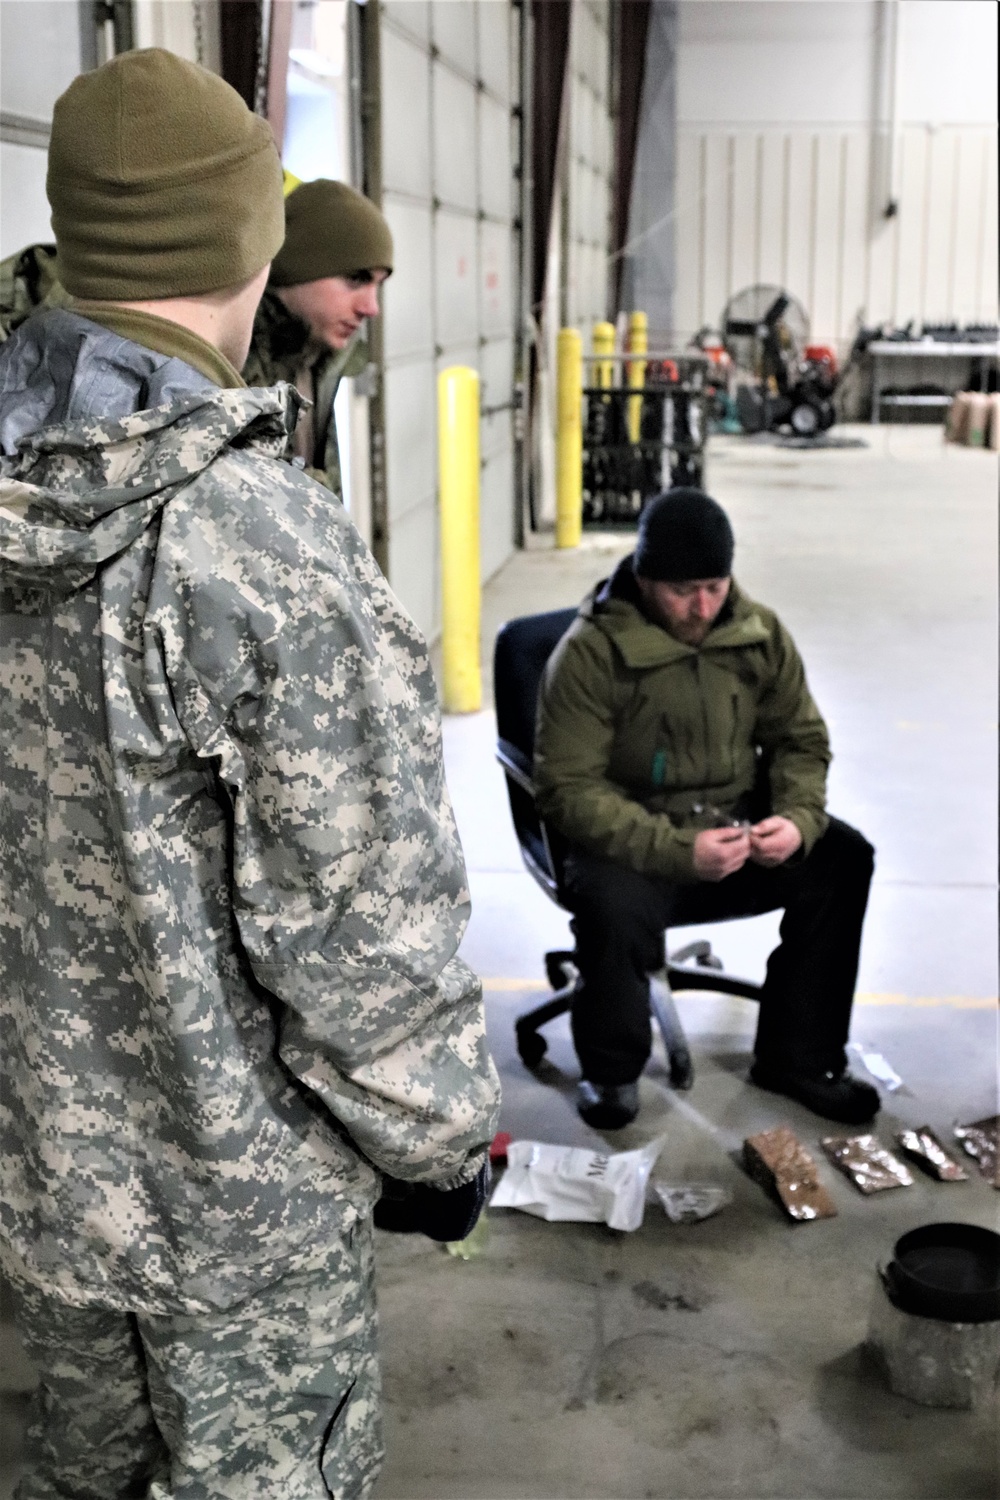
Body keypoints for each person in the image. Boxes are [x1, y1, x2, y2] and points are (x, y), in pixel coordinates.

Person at [0, 48, 499, 1500]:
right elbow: (357, 925)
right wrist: (436, 1136)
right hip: (241, 1218)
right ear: (245, 238)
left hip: (46, 1185)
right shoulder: (256, 542)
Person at [533, 488, 878, 1132]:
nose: (702, 608)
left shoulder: (759, 635)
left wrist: (797, 821)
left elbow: (800, 741)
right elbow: (568, 789)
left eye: (716, 587)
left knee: (841, 859)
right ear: (644, 576)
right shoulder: (589, 652)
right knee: (610, 901)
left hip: (732, 826)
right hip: (634, 836)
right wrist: (675, 849)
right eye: (682, 590)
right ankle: (610, 1072)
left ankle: (798, 1058)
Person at [242, 178, 393, 498]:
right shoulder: (237, 358)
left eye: (378, 285)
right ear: (297, 269)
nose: (371, 307)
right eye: (355, 278)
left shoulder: (316, 357)